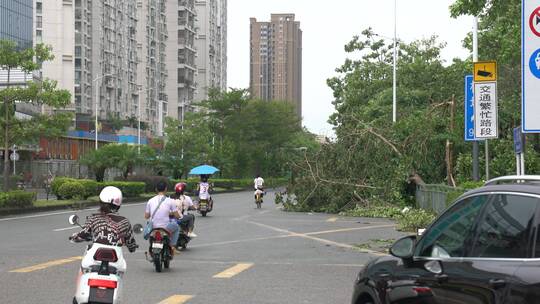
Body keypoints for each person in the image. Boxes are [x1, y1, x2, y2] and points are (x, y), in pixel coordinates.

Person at [70, 186, 137, 252]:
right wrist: (132, 247)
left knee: (85, 262)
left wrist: (74, 237)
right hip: (116, 259)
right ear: (118, 204)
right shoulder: (125, 221)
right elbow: (130, 243)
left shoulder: (93, 218)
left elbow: (83, 234)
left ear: (100, 201)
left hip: (95, 257)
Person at [145, 180, 182, 253]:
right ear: (166, 189)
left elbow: (146, 216)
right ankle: (172, 247)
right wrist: (178, 216)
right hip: (166, 227)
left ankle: (151, 246)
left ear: (156, 189)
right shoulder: (171, 201)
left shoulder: (150, 201)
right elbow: (176, 215)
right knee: (177, 227)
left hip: (153, 227)